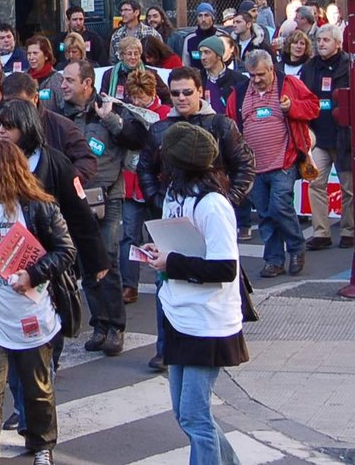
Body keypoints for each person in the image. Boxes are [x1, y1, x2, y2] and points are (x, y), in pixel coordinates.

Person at [137, 67, 255, 372]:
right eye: (175, 93)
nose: (181, 98)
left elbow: (244, 165)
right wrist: (159, 201)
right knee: (167, 280)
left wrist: (226, 200)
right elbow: (146, 168)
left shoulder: (220, 125)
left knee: (204, 280)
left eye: (187, 92)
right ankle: (166, 347)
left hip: (207, 213)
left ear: (200, 91)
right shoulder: (160, 130)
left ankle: (190, 341)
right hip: (174, 213)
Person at [145, 122, 248, 465]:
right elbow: (179, 246)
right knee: (185, 413)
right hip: (180, 315)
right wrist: (159, 252)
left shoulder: (213, 204)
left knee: (194, 416)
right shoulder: (175, 196)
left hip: (209, 323)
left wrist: (171, 262)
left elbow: (225, 268)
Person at [0, 140, 76, 465]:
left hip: (32, 315)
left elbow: (66, 250)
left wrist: (32, 274)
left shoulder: (38, 207)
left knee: (37, 389)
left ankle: (42, 444)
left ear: (4, 169)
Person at [54, 59, 144, 353]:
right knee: (86, 262)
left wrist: (111, 120)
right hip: (75, 198)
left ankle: (116, 326)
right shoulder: (60, 113)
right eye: (63, 80)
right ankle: (100, 324)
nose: (63, 85)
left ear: (87, 83)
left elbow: (138, 138)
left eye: (69, 80)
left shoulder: (110, 107)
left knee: (107, 258)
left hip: (108, 196)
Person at [237, 50, 317, 278]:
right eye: (252, 75)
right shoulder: (241, 91)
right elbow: (233, 121)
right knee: (264, 214)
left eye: (260, 74)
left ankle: (296, 248)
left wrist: (292, 107)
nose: (256, 80)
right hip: (255, 166)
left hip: (284, 161)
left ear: (271, 69)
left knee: (279, 206)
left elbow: (313, 107)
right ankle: (274, 260)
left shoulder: (289, 84)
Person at [117, 70, 169, 303]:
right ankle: (129, 285)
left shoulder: (165, 113)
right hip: (131, 182)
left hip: (155, 184)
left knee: (159, 235)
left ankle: (163, 280)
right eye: (134, 97)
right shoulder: (127, 112)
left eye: (141, 97)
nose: (137, 102)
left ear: (152, 93)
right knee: (129, 235)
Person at [303, 26, 352, 250]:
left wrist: (354, 123)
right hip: (318, 137)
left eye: (326, 40)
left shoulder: (351, 65)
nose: (321, 43)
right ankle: (321, 232)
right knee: (315, 184)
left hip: (344, 137)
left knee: (349, 188)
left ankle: (349, 231)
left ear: (338, 43)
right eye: (319, 39)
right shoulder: (310, 67)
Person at [182, 4, 221, 69]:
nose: (203, 19)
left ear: (213, 17)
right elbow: (186, 65)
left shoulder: (221, 36)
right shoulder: (190, 39)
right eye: (200, 16)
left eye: (206, 15)